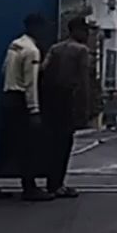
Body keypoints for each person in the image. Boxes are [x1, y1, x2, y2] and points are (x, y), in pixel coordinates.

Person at [0, 12, 49, 201]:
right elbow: (30, 83)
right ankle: (29, 188)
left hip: (7, 97)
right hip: (20, 101)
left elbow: (5, 69)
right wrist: (34, 110)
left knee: (5, 146)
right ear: (36, 27)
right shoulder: (32, 51)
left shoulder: (15, 45)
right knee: (27, 146)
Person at [36, 15, 99, 200]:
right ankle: (57, 185)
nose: (87, 35)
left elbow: (42, 71)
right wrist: (86, 108)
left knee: (52, 144)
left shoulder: (55, 48)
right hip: (68, 101)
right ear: (76, 31)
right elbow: (84, 82)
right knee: (64, 144)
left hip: (50, 100)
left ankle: (51, 183)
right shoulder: (81, 51)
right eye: (85, 31)